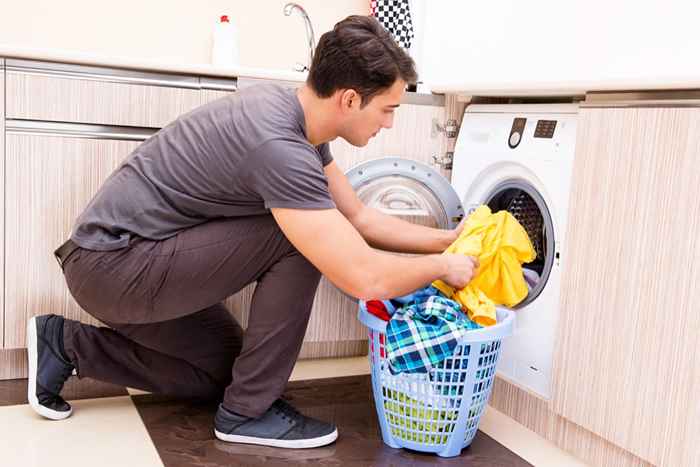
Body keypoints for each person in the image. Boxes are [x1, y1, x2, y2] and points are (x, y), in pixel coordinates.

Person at [26, 15, 477, 449]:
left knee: (226, 375)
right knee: (297, 238)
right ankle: (246, 417)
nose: (389, 123)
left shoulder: (296, 120)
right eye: (388, 109)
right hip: (114, 267)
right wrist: (442, 268)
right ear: (350, 99)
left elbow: (360, 218)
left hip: (124, 263)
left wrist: (450, 241)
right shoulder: (280, 148)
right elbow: (363, 277)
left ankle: (65, 345)